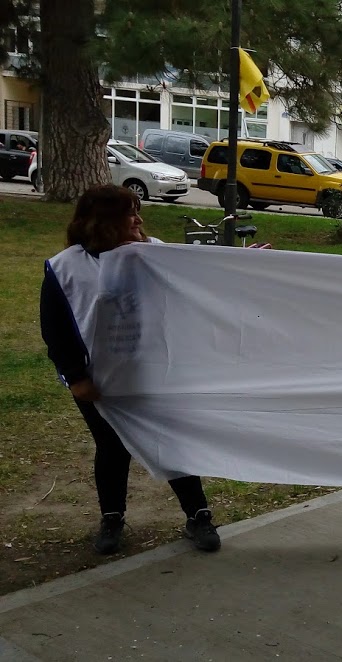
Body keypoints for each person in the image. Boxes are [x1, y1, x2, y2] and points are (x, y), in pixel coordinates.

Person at [40, 185, 221, 555]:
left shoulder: (152, 254)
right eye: (130, 213)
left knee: (170, 441)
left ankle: (198, 515)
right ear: (102, 221)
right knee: (111, 446)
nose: (139, 219)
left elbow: (198, 285)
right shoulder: (65, 268)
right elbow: (55, 326)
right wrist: (76, 377)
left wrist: (245, 267)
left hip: (152, 372)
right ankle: (112, 517)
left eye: (138, 211)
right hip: (98, 382)